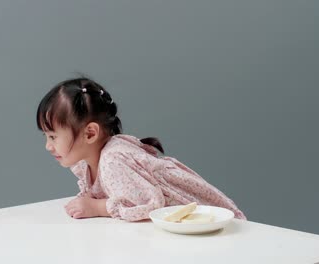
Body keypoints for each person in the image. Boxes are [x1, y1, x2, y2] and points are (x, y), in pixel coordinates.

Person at [36, 77, 246, 221]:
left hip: (213, 222)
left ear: (90, 133)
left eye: (53, 136)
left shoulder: (113, 159)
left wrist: (98, 208)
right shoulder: (88, 164)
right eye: (46, 136)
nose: (48, 145)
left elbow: (150, 206)